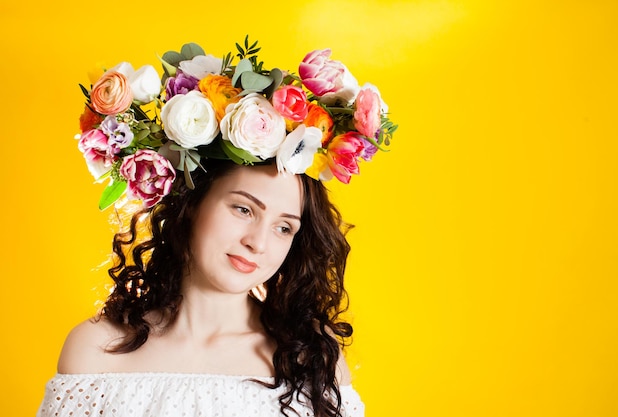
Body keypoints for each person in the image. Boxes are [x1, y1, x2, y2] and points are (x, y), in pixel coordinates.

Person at [37, 37, 397, 417]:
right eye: (243, 209)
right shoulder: (96, 350)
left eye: (284, 228)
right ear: (190, 205)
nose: (258, 242)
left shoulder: (312, 358)